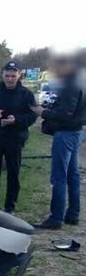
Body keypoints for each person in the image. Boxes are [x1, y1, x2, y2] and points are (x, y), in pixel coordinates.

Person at [31, 52, 85, 229]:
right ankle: (73, 214)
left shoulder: (70, 85)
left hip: (65, 134)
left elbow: (65, 114)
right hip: (77, 132)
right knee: (72, 175)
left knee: (59, 176)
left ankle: (56, 218)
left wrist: (43, 112)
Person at [0, 61, 36, 213]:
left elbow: (32, 116)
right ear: (2, 75)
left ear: (19, 75)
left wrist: (16, 120)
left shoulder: (26, 94)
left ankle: (10, 205)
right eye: (7, 76)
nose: (10, 79)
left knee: (13, 172)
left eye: (13, 76)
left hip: (15, 138)